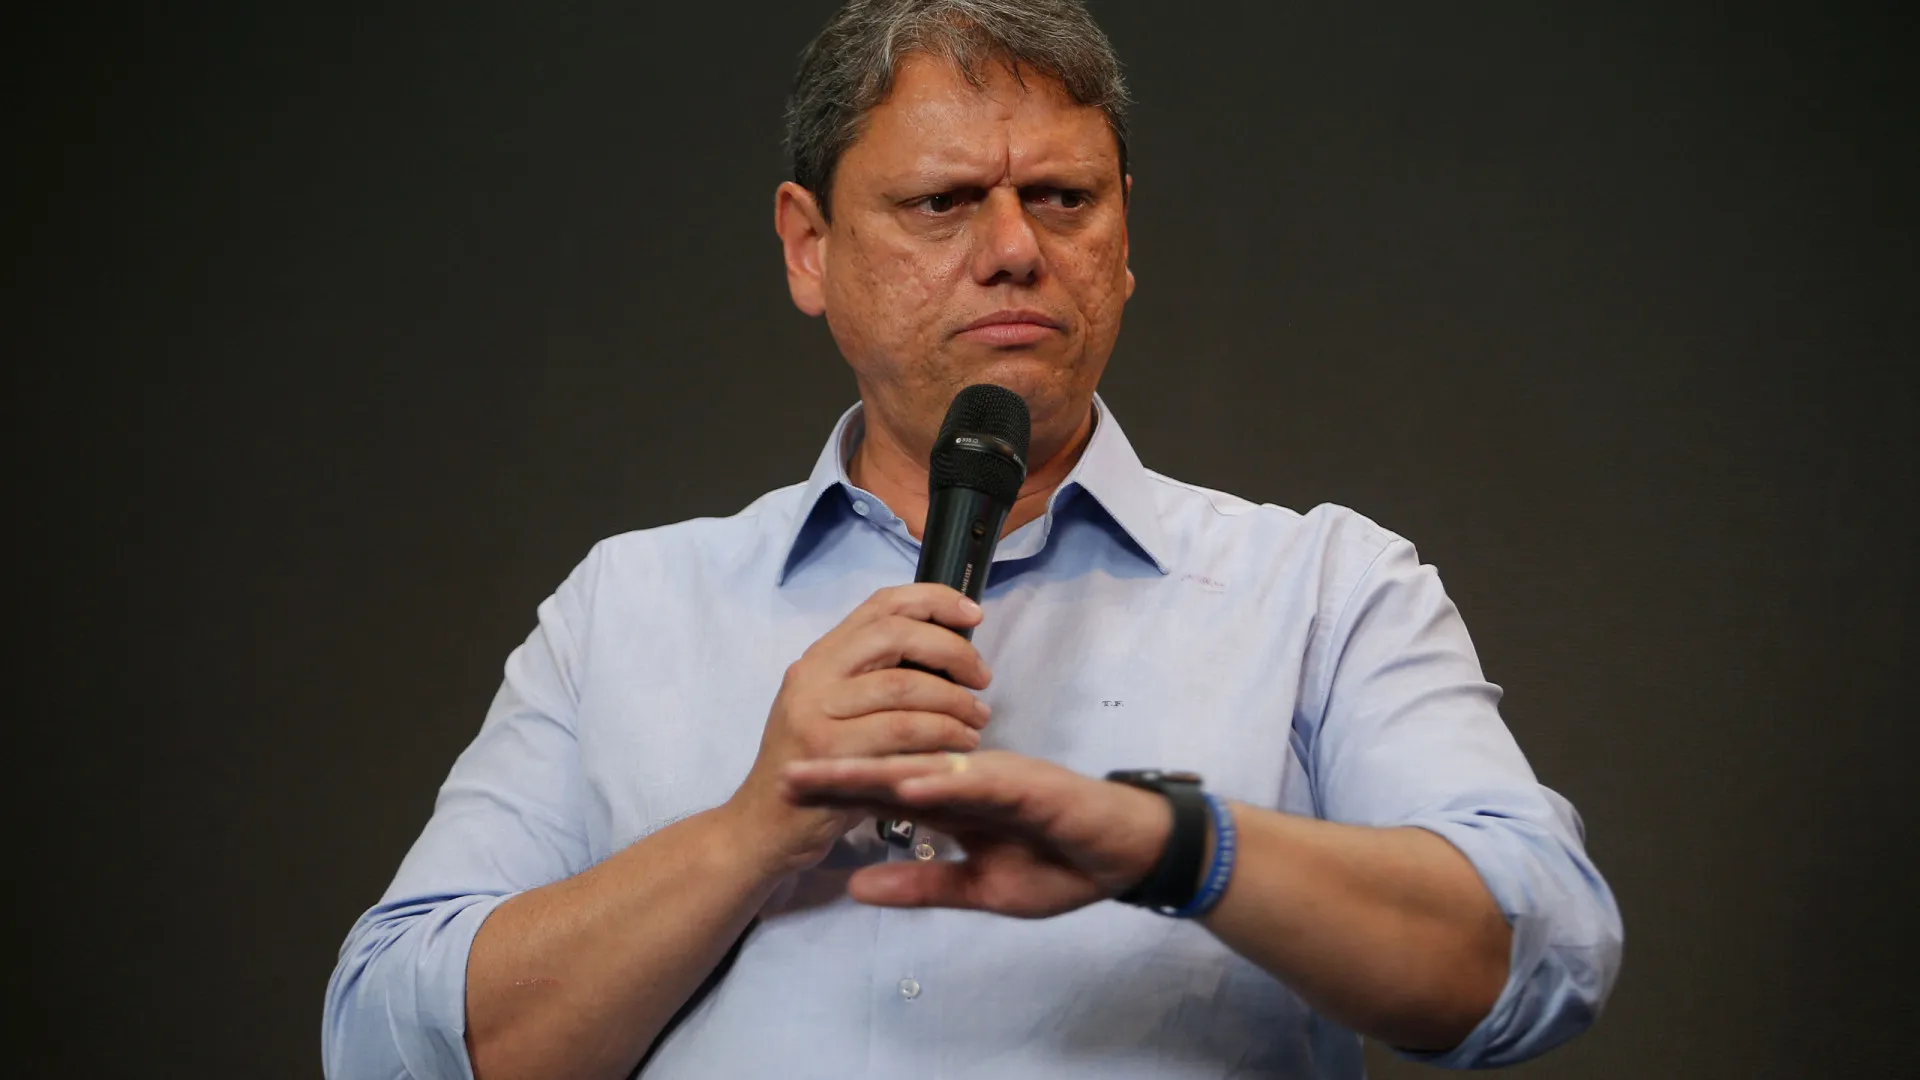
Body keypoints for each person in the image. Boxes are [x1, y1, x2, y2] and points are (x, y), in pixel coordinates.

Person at [322, 2, 1623, 1077]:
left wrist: (1177, 845)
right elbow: (384, 1044)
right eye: (943, 202)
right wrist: (754, 829)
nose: (1014, 249)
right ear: (809, 248)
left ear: (1124, 239)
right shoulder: (627, 607)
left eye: (1063, 197)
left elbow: (1539, 954)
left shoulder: (1326, 591)